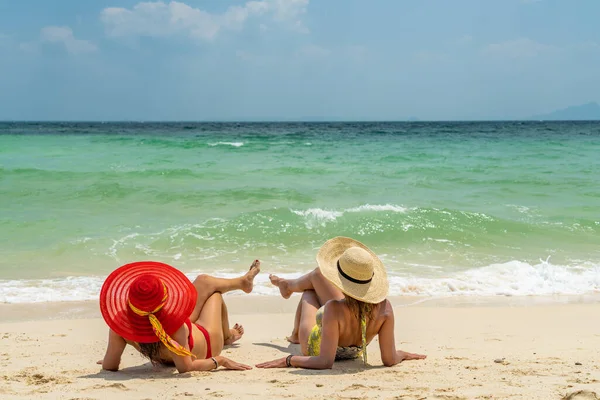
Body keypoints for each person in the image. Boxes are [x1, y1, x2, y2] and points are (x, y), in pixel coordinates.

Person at [256, 237, 426, 369]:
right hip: (355, 352)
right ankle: (287, 288)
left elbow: (324, 361)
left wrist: (289, 360)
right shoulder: (385, 308)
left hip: (317, 348)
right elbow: (389, 359)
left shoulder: (333, 308)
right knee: (317, 277)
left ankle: (294, 327)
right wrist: (402, 354)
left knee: (309, 292)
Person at [98, 260, 260, 373]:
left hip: (180, 335)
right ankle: (226, 336)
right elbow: (186, 368)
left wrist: (109, 358)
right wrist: (221, 361)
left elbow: (110, 365)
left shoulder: (121, 325)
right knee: (214, 293)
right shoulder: (176, 328)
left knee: (203, 281)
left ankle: (242, 282)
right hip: (208, 342)